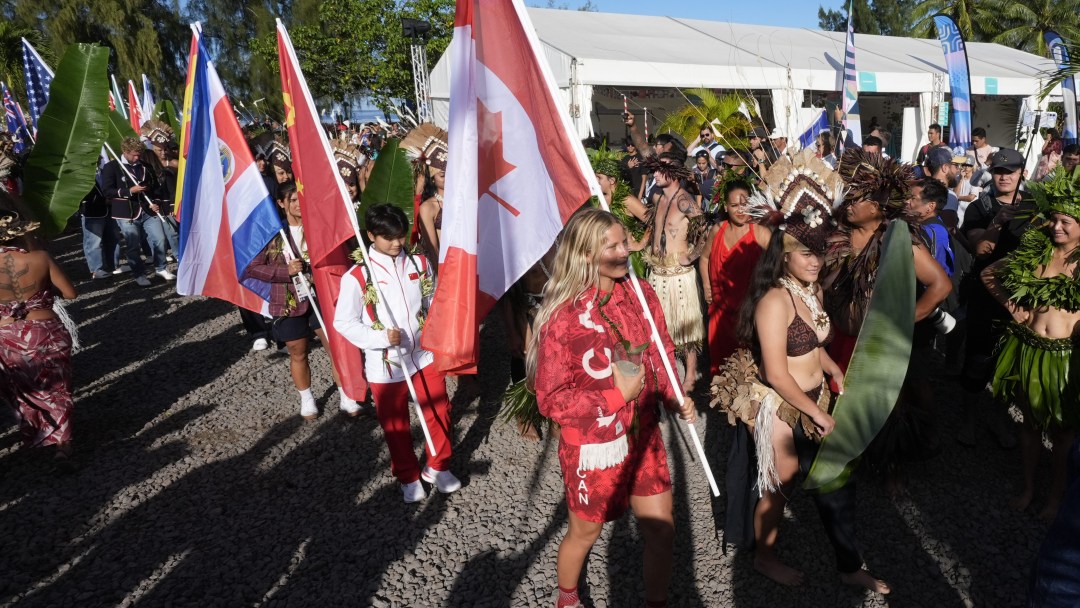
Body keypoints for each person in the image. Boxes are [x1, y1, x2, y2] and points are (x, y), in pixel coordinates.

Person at [711, 149, 888, 593]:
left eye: (819, 253)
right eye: (805, 254)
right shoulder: (775, 300)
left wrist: (832, 369)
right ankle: (763, 556)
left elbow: (818, 343)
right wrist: (817, 412)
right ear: (784, 255)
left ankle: (849, 565)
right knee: (781, 483)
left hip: (815, 394)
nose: (815, 261)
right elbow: (776, 373)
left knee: (836, 484)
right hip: (780, 401)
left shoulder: (813, 293)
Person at [530, 208, 695, 608]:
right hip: (593, 445)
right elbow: (550, 399)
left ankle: (656, 602)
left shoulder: (642, 294)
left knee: (662, 530)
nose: (626, 251)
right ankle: (567, 599)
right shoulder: (561, 317)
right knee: (585, 533)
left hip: (645, 434)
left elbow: (659, 351)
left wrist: (675, 395)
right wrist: (613, 398)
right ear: (585, 254)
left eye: (626, 241)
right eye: (613, 246)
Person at [334, 204, 458, 503]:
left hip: (423, 356)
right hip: (386, 363)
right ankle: (407, 475)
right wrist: (379, 337)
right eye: (388, 237)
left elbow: (432, 300)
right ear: (371, 236)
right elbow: (343, 322)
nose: (396, 243)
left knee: (439, 410)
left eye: (400, 236)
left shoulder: (418, 262)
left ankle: (438, 466)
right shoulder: (357, 276)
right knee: (395, 422)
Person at [983, 167, 1080, 520]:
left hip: (1066, 358)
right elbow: (989, 273)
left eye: (1066, 221)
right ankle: (1028, 488)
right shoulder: (1037, 253)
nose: (1057, 227)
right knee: (1028, 426)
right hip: (1028, 349)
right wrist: (1015, 308)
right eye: (1054, 220)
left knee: (1063, 434)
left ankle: (1056, 497)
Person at [242, 181, 361, 419]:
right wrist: (286, 271)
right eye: (292, 200)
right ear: (281, 203)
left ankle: (346, 393)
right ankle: (307, 398)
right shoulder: (274, 234)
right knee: (298, 352)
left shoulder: (319, 228)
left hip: (323, 298)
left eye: (301, 199)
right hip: (288, 300)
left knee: (336, 347)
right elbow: (252, 269)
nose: (298, 204)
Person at [956, 148, 1033, 447]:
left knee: (1011, 363)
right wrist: (998, 222)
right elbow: (980, 251)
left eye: (1011, 171)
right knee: (978, 358)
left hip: (1022, 296)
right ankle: (969, 418)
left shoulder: (1036, 207)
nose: (1004, 176)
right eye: (999, 171)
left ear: (1022, 173)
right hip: (986, 295)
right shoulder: (980, 207)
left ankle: (1000, 419)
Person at [0, 206, 78, 461]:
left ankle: (39, 433)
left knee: (25, 389)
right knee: (58, 387)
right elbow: (70, 293)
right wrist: (40, 296)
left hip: (8, 335)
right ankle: (63, 445)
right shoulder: (41, 258)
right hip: (46, 330)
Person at [642, 154, 707, 392]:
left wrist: (691, 256)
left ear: (673, 173)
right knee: (659, 323)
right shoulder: (659, 198)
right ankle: (662, 369)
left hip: (679, 273)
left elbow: (704, 229)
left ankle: (690, 373)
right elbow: (653, 228)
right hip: (657, 272)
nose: (655, 175)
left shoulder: (684, 201)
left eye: (659, 171)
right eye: (655, 170)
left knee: (685, 324)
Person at [700, 179, 770, 372]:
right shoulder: (717, 230)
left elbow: (779, 262)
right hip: (720, 311)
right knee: (720, 365)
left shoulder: (760, 233)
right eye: (734, 205)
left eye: (744, 204)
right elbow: (704, 258)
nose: (740, 210)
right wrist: (707, 287)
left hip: (748, 313)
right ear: (725, 206)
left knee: (748, 366)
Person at [100, 136, 172, 286]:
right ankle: (139, 274)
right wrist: (129, 191)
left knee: (160, 239)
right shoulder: (112, 167)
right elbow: (107, 191)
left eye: (139, 154)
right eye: (134, 154)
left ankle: (161, 267)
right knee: (133, 246)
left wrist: (156, 202)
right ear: (125, 152)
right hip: (126, 213)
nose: (137, 157)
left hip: (148, 210)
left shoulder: (145, 166)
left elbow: (155, 189)